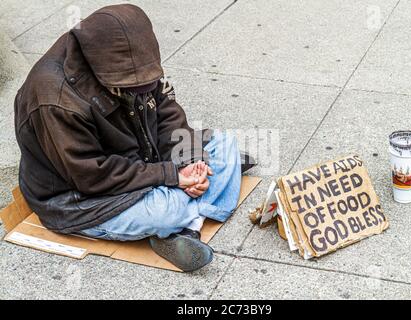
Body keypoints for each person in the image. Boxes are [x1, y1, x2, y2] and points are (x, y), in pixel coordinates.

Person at [14, 4, 255, 272]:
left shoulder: (139, 60)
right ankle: (190, 211)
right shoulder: (55, 101)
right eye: (133, 86)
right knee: (167, 212)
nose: (145, 88)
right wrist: (171, 176)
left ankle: (187, 228)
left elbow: (167, 114)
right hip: (80, 197)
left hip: (143, 160)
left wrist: (189, 162)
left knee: (224, 143)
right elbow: (92, 176)